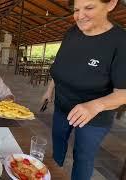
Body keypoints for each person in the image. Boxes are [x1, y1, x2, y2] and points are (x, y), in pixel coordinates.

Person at [41, 0, 126, 179]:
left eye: (89, 8)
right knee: (57, 148)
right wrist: (49, 91)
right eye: (76, 10)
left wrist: (94, 106)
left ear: (111, 4)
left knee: (83, 157)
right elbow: (59, 67)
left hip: (95, 117)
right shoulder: (71, 33)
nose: (79, 16)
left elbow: (123, 93)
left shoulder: (120, 42)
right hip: (63, 106)